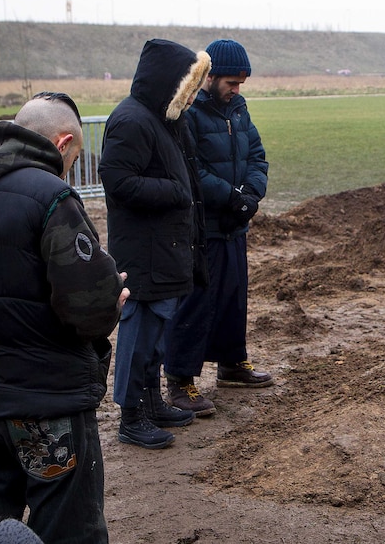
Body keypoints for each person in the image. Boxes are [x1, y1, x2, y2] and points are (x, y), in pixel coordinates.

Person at [0, 91, 128, 544]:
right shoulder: (53, 197)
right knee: (68, 529)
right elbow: (89, 310)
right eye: (72, 157)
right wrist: (111, 300)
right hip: (49, 400)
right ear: (62, 145)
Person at [99, 38, 211, 448]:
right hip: (143, 253)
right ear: (171, 82)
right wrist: (174, 191)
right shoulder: (131, 120)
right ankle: (131, 416)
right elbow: (117, 179)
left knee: (157, 335)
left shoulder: (165, 117)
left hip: (166, 250)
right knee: (138, 336)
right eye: (190, 86)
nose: (194, 95)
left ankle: (151, 403)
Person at [164, 39, 272, 417]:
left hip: (234, 224)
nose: (237, 89)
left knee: (233, 297)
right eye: (231, 82)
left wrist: (251, 196)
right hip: (203, 227)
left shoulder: (239, 110)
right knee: (195, 304)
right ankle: (180, 381)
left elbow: (257, 157)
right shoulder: (189, 115)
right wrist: (231, 196)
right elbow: (191, 169)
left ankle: (231, 364)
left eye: (241, 83)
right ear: (209, 77)